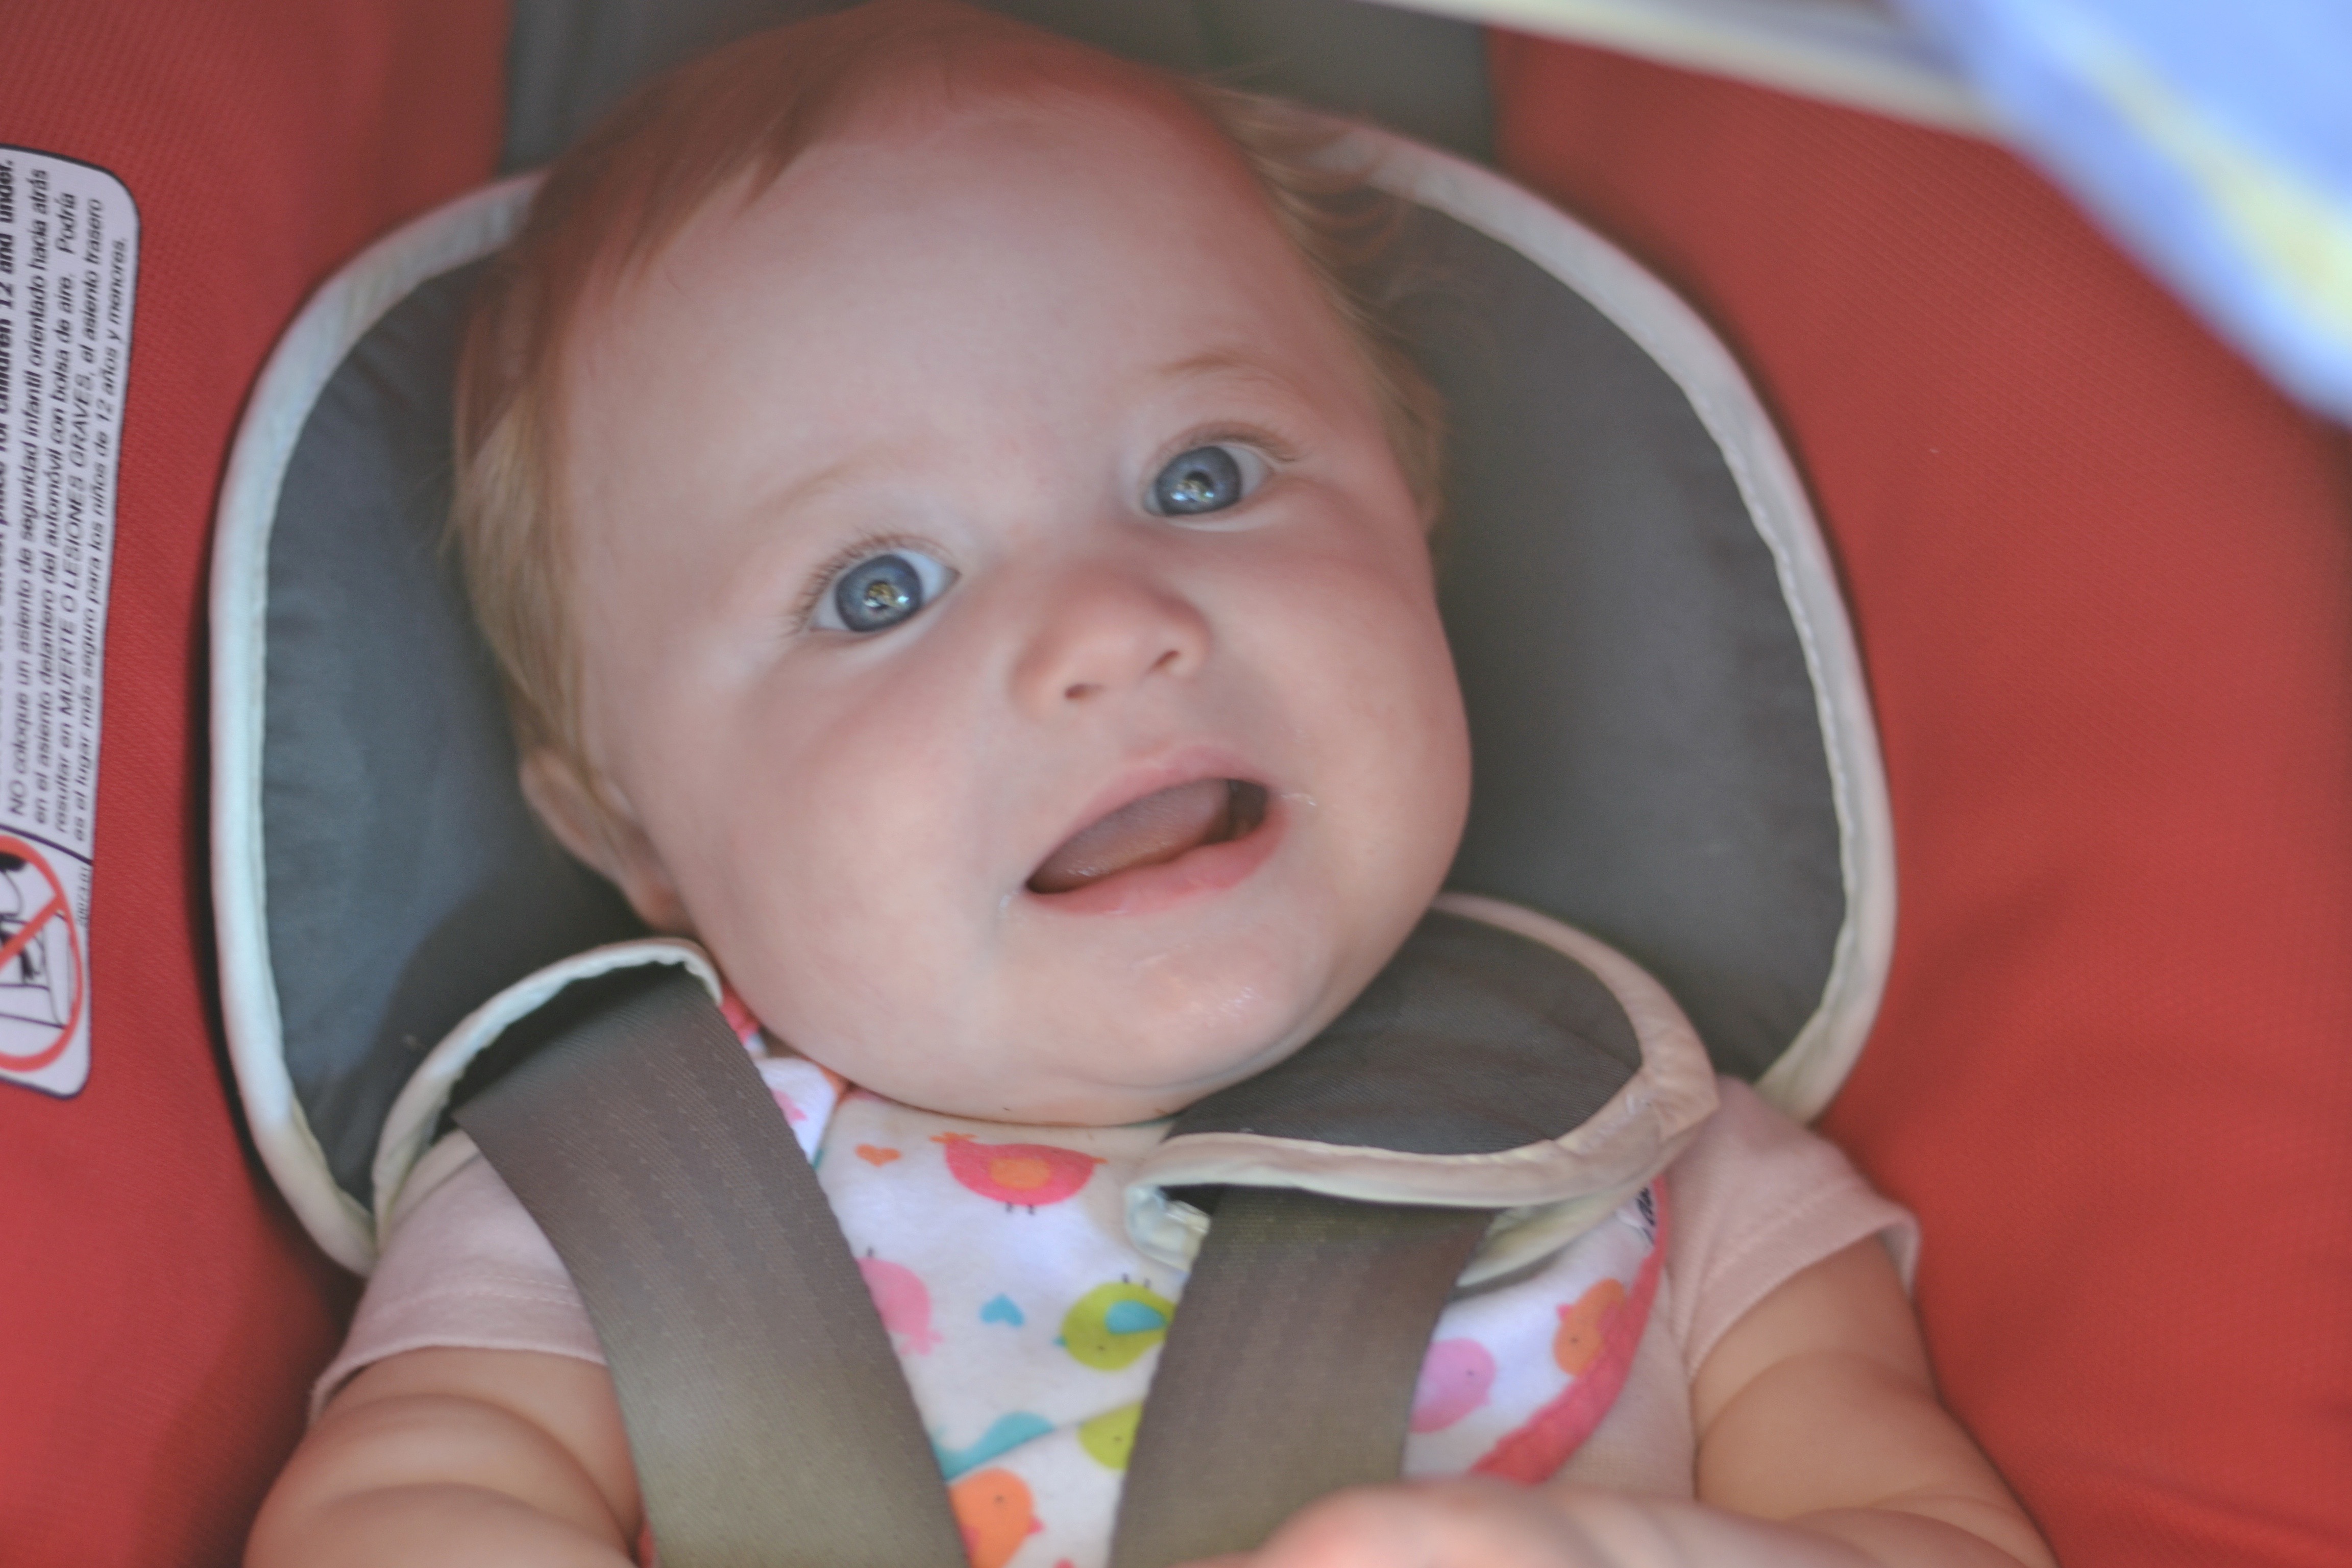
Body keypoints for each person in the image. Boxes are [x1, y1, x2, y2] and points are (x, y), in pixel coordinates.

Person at [247, 6, 2055, 1565]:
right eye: (880, 590)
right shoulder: (610, 1194)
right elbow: (405, 1510)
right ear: (627, 827)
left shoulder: (1664, 1163)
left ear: (1416, 520)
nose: (1110, 627)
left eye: (1205, 476)